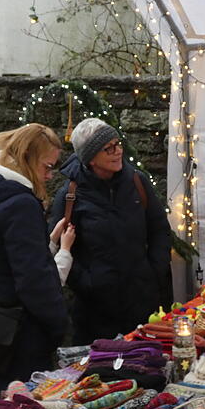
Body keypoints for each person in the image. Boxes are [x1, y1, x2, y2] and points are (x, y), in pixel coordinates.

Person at [0, 123, 69, 407]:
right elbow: (33, 280)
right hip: (16, 335)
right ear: (28, 160)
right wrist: (58, 326)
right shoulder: (20, 204)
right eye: (47, 166)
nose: (49, 175)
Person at [49, 118, 173, 345]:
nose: (117, 152)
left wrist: (153, 272)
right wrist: (88, 282)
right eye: (109, 148)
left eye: (118, 144)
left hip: (141, 302)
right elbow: (57, 245)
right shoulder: (70, 195)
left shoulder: (137, 182)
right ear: (90, 157)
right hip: (95, 312)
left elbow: (159, 230)